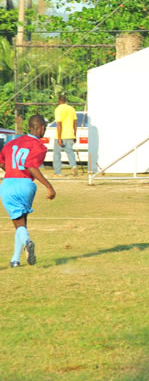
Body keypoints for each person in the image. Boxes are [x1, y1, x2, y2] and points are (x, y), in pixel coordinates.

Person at [0, 114, 56, 267]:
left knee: (18, 224)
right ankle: (16, 258)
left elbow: (2, 162)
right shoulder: (39, 146)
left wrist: (10, 170)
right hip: (25, 184)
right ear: (42, 128)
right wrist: (49, 186)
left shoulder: (12, 143)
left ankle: (21, 250)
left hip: (8, 184)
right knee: (22, 223)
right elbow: (31, 166)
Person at [53, 95, 78, 177]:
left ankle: (58, 172)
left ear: (59, 101)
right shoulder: (71, 109)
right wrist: (75, 135)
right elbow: (75, 123)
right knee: (70, 152)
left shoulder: (58, 109)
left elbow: (59, 124)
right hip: (70, 134)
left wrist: (59, 138)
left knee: (57, 154)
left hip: (61, 135)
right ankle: (73, 165)